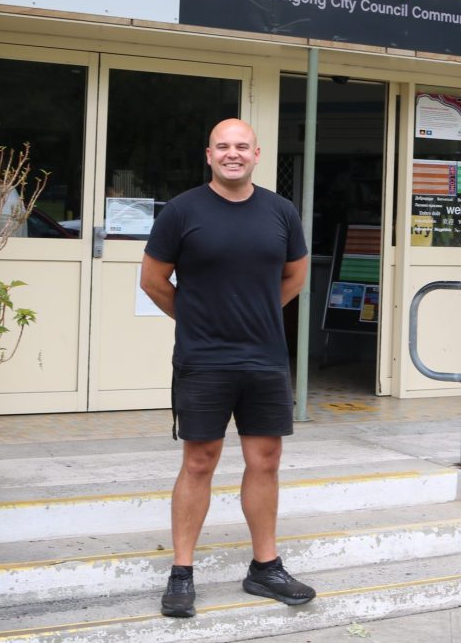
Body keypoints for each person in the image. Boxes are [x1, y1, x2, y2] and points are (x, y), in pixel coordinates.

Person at [139, 118, 313, 619]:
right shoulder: (182, 211)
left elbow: (296, 274)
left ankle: (265, 567)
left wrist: (256, 315)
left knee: (266, 459)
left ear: (257, 154)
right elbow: (153, 280)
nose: (232, 153)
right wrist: (198, 319)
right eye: (223, 146)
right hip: (203, 358)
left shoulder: (280, 212)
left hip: (264, 357)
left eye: (242, 146)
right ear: (209, 155)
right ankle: (181, 573)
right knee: (200, 460)